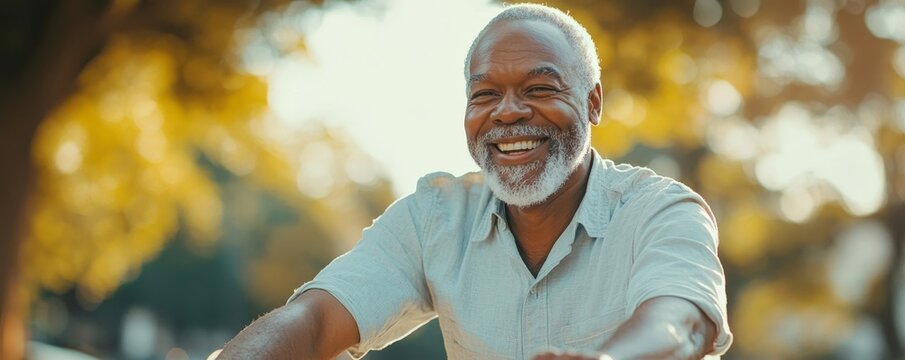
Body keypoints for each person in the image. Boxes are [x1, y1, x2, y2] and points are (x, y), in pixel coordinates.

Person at [218, 3, 732, 359]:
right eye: (485, 95)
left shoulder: (661, 211)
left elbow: (681, 323)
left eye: (539, 87)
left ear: (594, 102)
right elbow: (312, 324)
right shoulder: (434, 218)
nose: (507, 113)